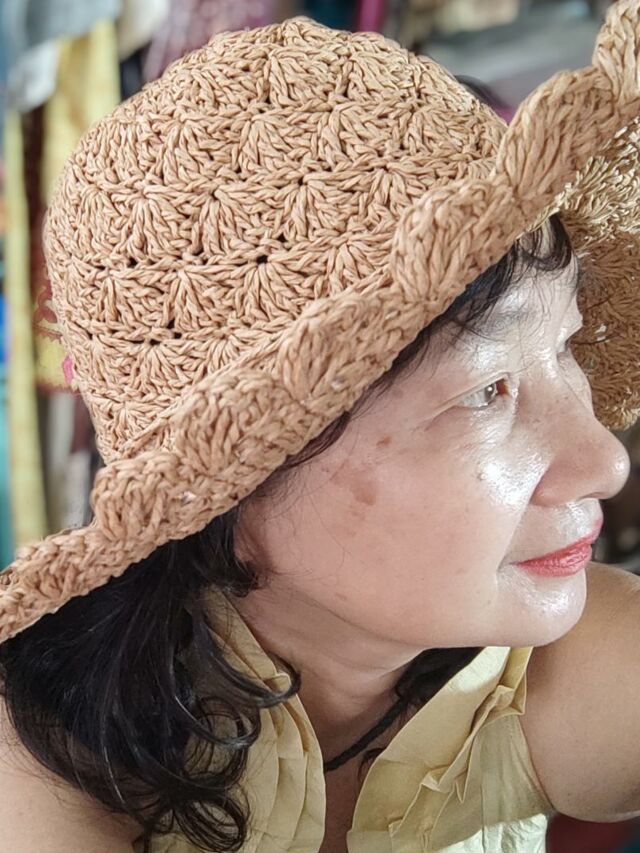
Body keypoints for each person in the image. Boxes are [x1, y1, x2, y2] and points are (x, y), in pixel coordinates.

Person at [0, 5, 639, 852]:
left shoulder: (573, 669)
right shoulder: (43, 771)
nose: (604, 461)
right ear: (237, 474)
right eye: (486, 389)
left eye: (564, 348)